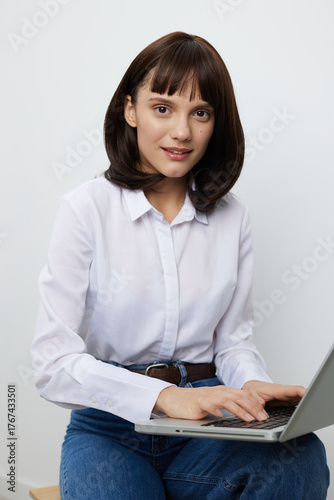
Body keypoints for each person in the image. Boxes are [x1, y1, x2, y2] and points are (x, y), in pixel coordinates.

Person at [31, 32, 329, 499]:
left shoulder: (232, 217)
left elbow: (233, 341)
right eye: (163, 107)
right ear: (130, 110)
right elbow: (52, 362)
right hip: (111, 428)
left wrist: (253, 387)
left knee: (300, 454)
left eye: (201, 113)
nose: (182, 132)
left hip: (210, 426)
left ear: (217, 123)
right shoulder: (85, 209)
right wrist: (166, 397)